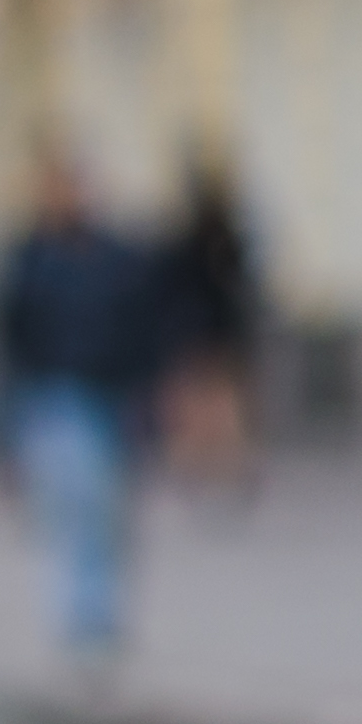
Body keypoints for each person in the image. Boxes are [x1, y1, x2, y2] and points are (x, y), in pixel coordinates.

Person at [0, 151, 164, 660]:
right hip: (54, 397)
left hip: (111, 396)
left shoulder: (113, 255)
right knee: (73, 506)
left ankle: (99, 612)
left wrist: (145, 389)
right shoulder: (29, 258)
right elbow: (9, 335)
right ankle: (82, 616)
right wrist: (5, 418)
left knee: (108, 512)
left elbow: (142, 324)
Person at [150, 149, 263, 502]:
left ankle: (212, 468)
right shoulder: (220, 237)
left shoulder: (194, 238)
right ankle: (215, 469)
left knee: (208, 406)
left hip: (201, 332)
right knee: (210, 406)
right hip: (209, 332)